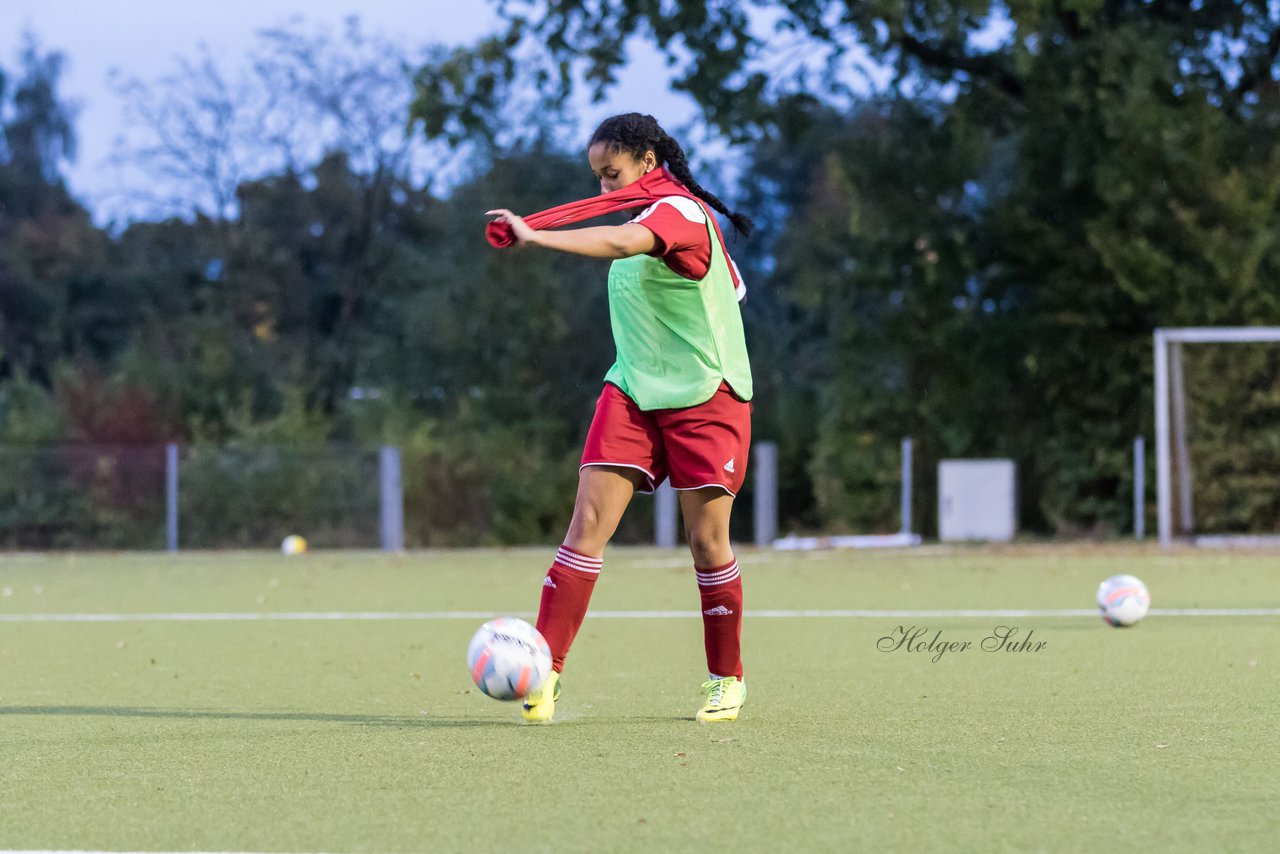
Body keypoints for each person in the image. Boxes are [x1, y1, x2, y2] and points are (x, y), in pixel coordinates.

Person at [485, 112, 754, 723]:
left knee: (707, 542)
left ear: (649, 163)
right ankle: (544, 671)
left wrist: (536, 235)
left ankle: (726, 679)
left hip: (706, 395)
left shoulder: (680, 215)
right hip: (632, 390)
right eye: (599, 179)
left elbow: (617, 240)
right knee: (586, 526)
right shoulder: (647, 213)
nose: (606, 191)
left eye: (612, 176)